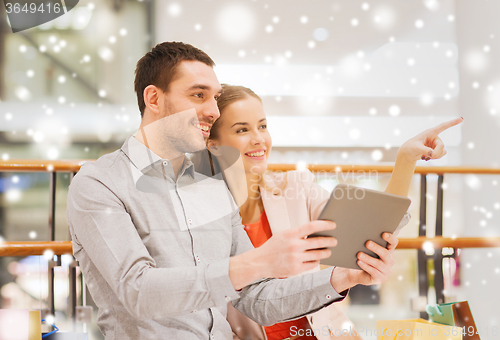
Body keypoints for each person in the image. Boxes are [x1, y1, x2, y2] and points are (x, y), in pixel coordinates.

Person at [67, 42, 401, 340]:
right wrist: (255, 262)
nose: (213, 110)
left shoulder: (210, 191)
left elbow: (256, 299)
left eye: (214, 97)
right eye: (198, 95)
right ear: (153, 98)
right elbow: (138, 290)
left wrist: (342, 277)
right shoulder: (99, 183)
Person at [193, 84, 463, 340]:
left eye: (262, 126)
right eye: (242, 130)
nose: (259, 139)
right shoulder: (200, 213)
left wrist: (405, 160)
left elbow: (370, 230)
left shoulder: (295, 187)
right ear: (213, 144)